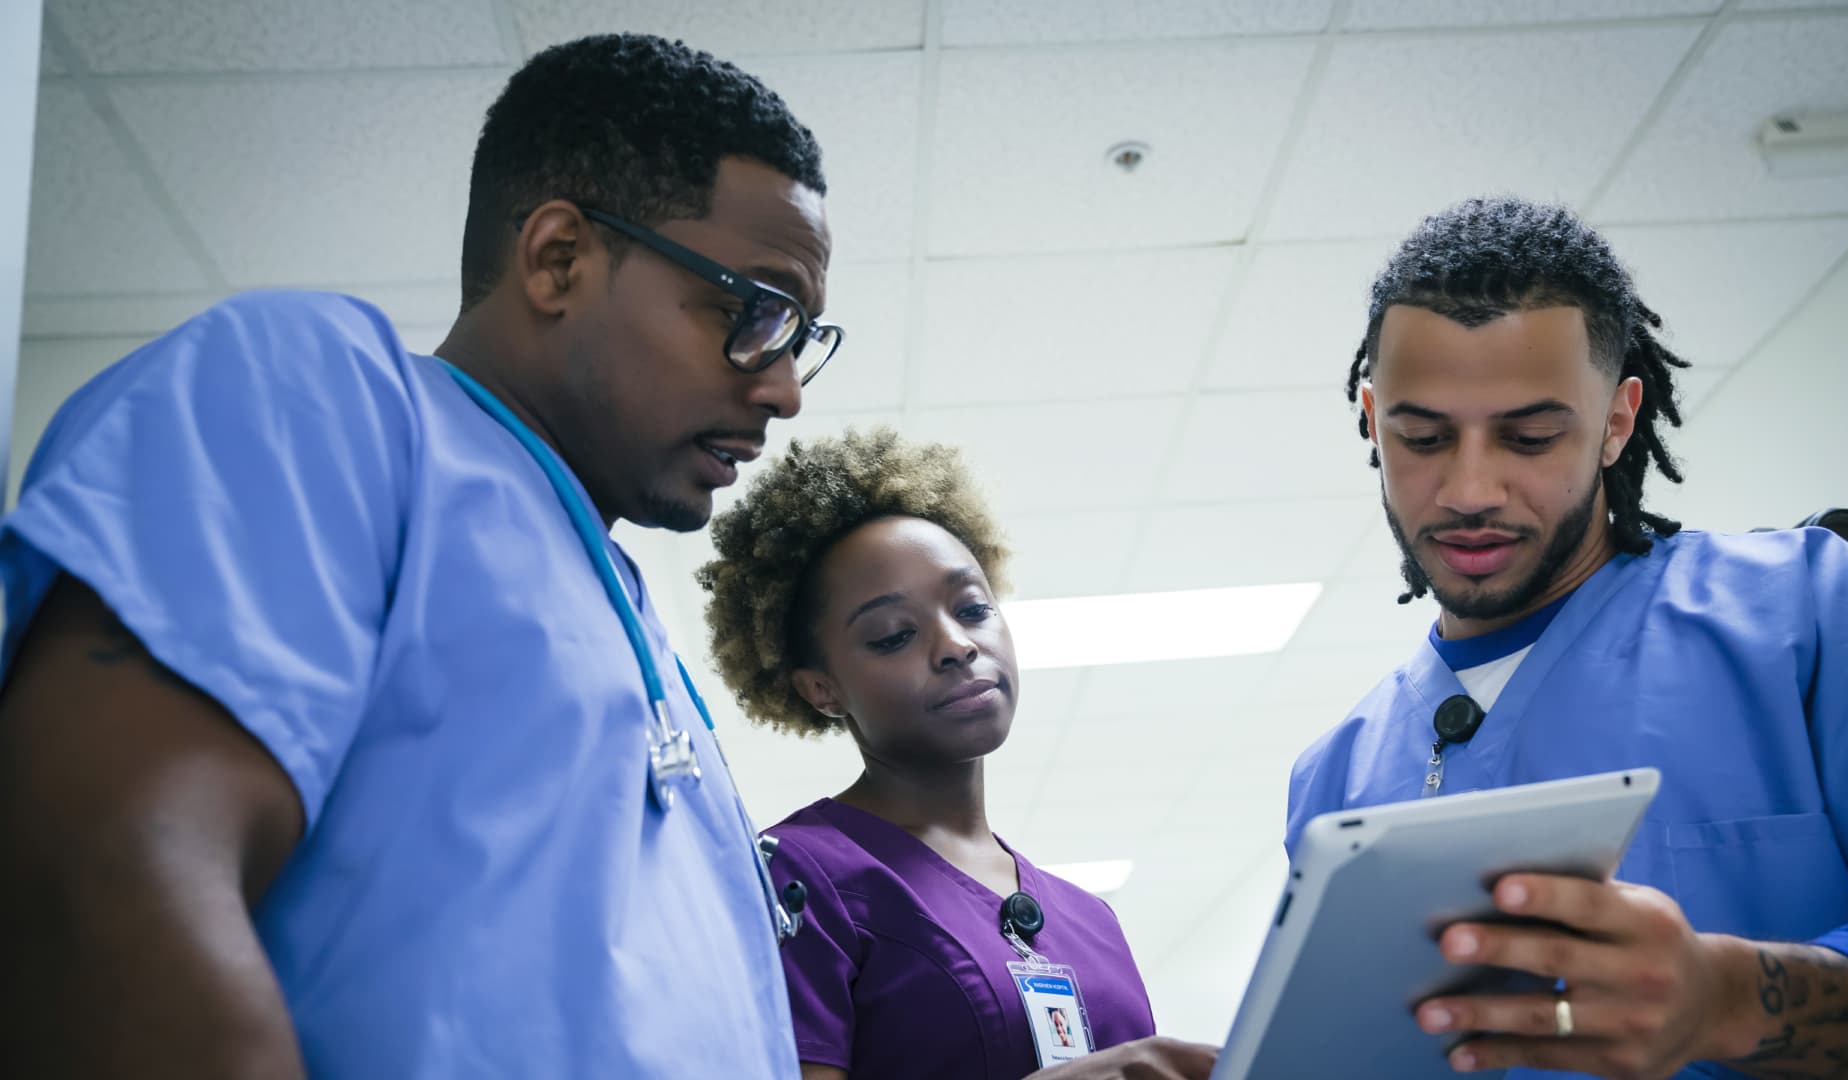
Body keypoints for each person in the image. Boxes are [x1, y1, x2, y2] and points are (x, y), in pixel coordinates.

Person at [0, 33, 839, 1077]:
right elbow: (97, 883)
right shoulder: (324, 397)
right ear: (558, 258)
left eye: (802, 337)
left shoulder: (627, 618)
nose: (784, 388)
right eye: (755, 313)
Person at [1287, 196, 1848, 1079]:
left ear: (1619, 420)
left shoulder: (1808, 618)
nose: (1470, 488)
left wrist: (1727, 996)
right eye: (1423, 437)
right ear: (1369, 417)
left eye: (1531, 436)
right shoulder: (1335, 777)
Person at [698, 428, 1217, 1080]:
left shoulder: (1092, 920)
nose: (956, 646)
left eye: (972, 608)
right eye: (893, 636)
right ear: (821, 688)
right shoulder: (798, 882)